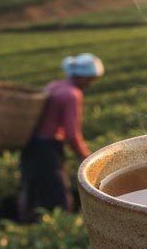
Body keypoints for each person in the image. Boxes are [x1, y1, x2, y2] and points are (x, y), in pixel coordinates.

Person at [18, 53, 104, 223]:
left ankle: (25, 225)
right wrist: (87, 157)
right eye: (90, 79)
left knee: (30, 190)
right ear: (82, 76)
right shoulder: (72, 95)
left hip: (30, 146)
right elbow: (72, 133)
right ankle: (58, 229)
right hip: (48, 149)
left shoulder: (54, 86)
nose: (91, 83)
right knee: (58, 197)